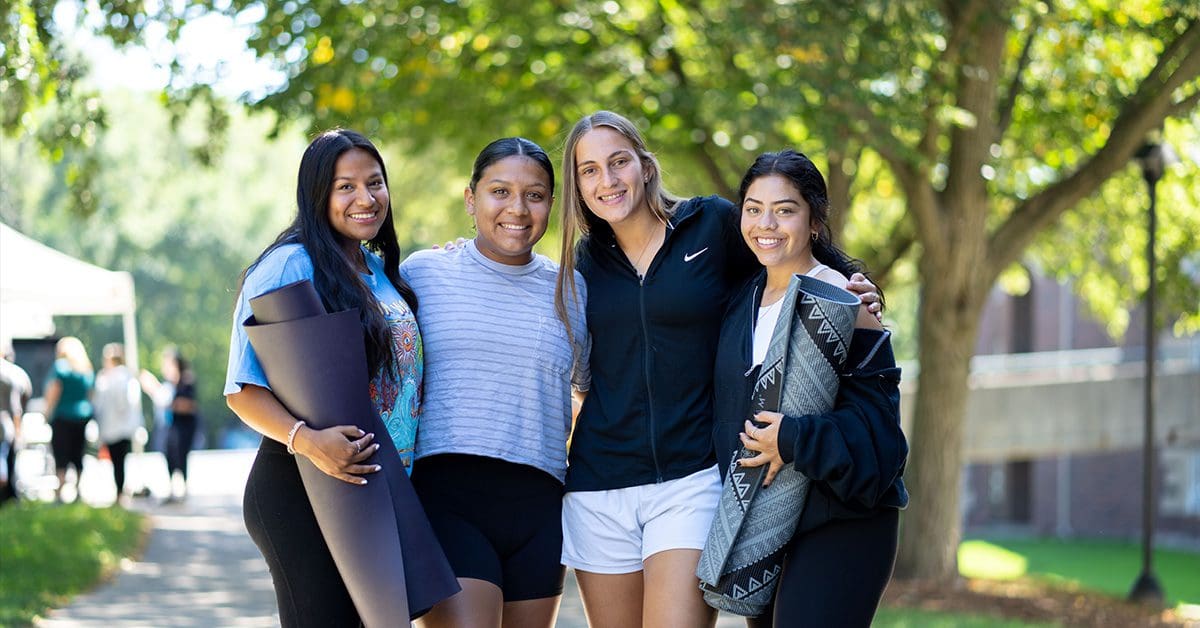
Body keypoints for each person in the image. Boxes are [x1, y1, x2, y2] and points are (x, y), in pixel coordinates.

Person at [553, 111, 882, 627]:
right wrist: (466, 253)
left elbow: (784, 248)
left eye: (618, 162)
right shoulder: (580, 265)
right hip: (599, 482)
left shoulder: (710, 224)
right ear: (577, 184)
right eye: (589, 170)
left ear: (644, 164)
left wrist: (856, 281)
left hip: (693, 478)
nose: (607, 180)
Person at [225, 129, 423, 626]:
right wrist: (308, 441)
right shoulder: (289, 265)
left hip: (371, 486)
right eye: (346, 187)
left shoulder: (378, 270)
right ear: (317, 194)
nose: (366, 198)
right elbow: (243, 389)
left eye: (375, 183)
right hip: (303, 483)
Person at [714, 149, 908, 627]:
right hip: (765, 523)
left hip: (840, 521)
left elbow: (880, 436)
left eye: (785, 210)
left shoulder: (844, 302)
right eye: (754, 208)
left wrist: (792, 439)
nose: (767, 224)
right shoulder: (742, 302)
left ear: (815, 220)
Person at [402, 137, 590, 628]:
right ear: (471, 198)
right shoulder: (422, 274)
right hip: (448, 500)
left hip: (541, 508)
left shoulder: (572, 288)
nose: (518, 209)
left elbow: (587, 390)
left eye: (535, 194)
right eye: (499, 191)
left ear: (552, 203)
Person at [44, 336, 95, 503]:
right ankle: (79, 489)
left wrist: (47, 412)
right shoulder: (85, 369)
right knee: (78, 452)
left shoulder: (60, 367)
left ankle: (60, 491)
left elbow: (54, 390)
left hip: (63, 416)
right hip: (82, 416)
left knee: (61, 453)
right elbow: (90, 394)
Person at [92, 343, 143, 506]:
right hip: (114, 426)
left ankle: (121, 491)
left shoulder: (120, 376)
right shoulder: (108, 377)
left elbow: (124, 402)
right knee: (117, 461)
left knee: (119, 461)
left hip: (119, 426)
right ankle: (120, 490)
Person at [0, 342, 33, 505]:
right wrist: (18, 430)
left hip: (5, 424)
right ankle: (9, 497)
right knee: (6, 462)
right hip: (5, 423)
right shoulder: (13, 373)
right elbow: (17, 406)